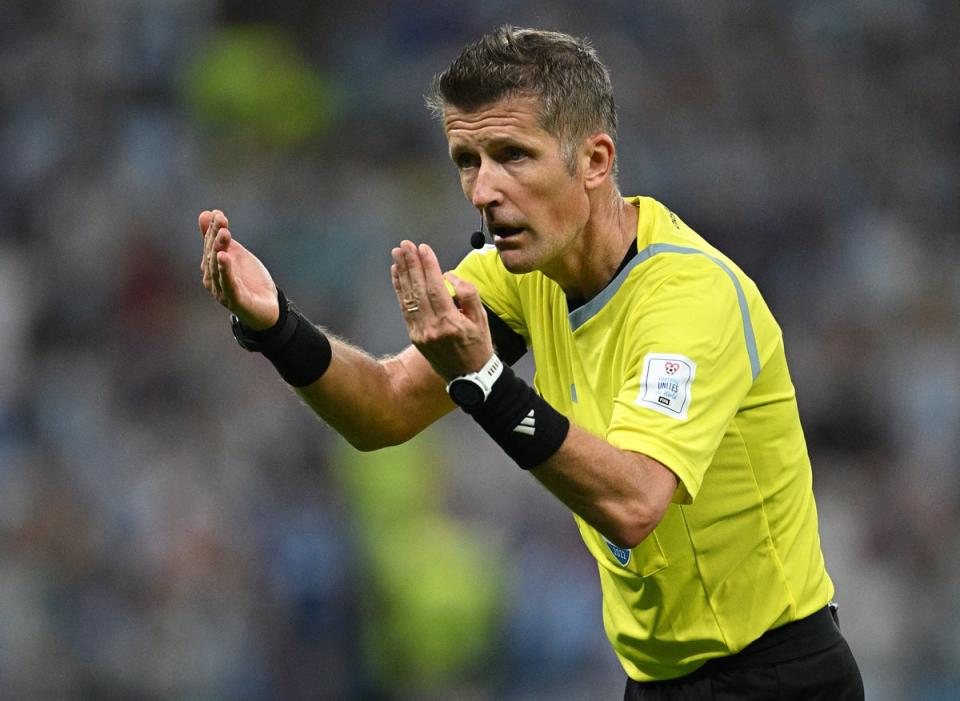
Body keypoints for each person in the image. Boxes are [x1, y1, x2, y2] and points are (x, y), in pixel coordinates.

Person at [196, 26, 864, 700]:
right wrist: (278, 326)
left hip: (779, 678)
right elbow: (387, 407)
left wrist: (486, 382)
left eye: (514, 155)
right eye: (467, 159)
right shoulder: (523, 270)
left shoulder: (689, 298)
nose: (484, 189)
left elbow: (635, 502)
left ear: (595, 160)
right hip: (659, 681)